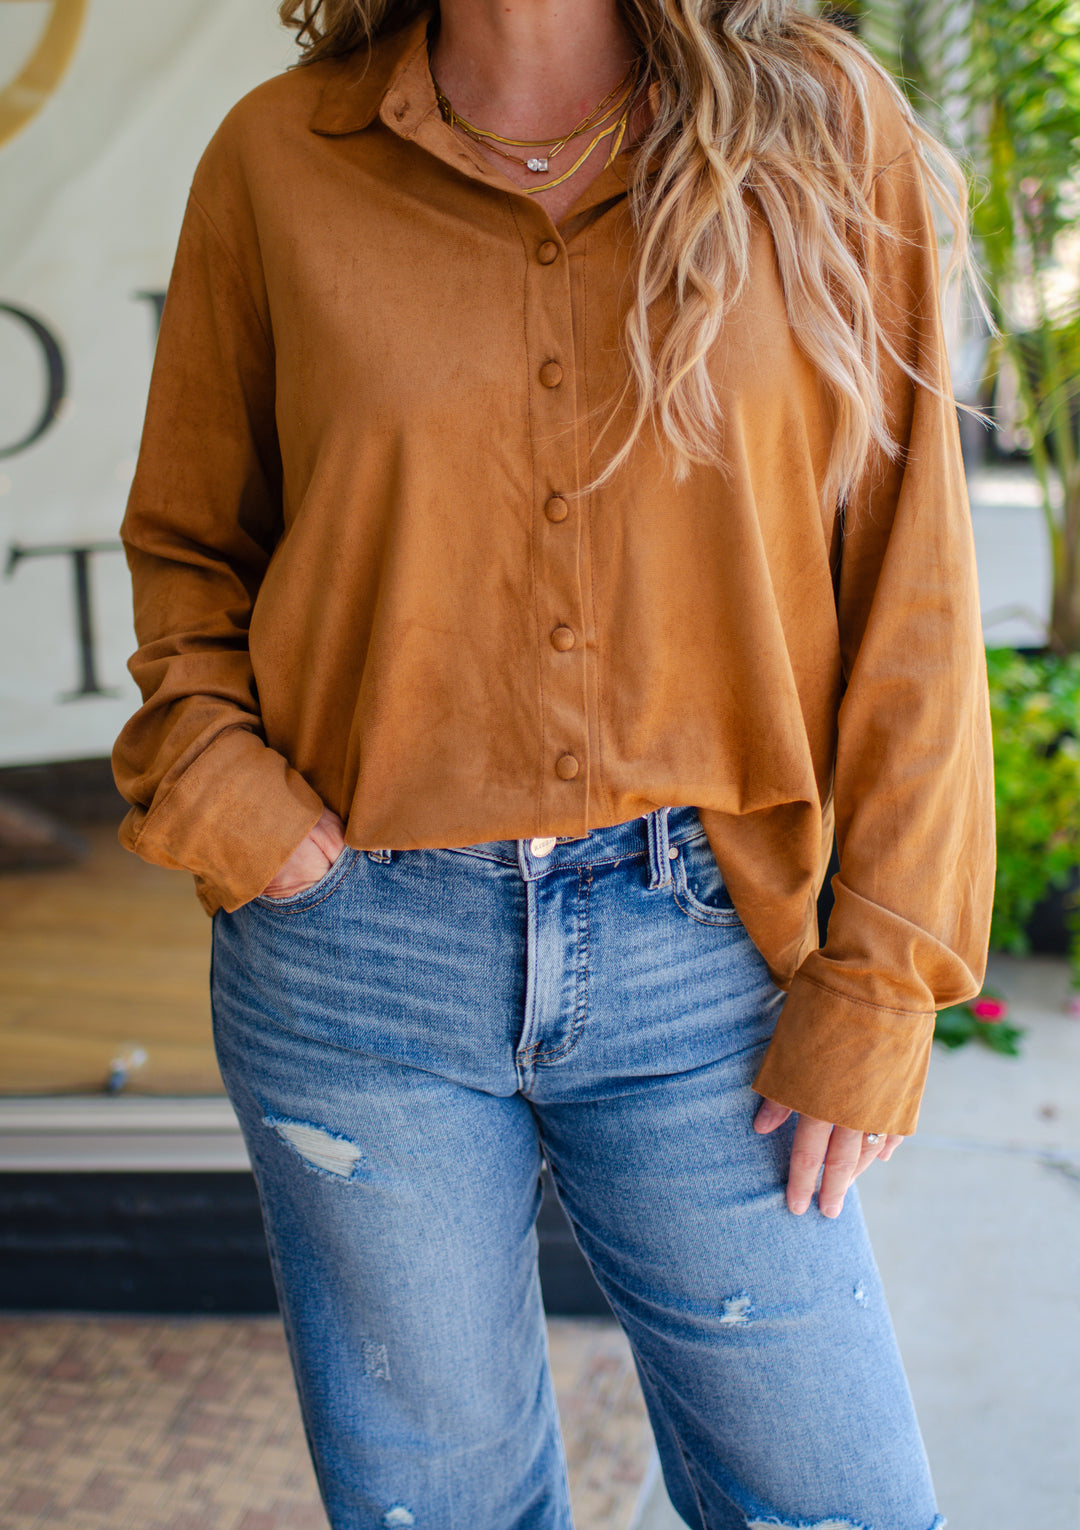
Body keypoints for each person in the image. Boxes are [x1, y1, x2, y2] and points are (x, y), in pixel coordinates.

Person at [112, 1, 994, 1526]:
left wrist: (886, 971)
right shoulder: (276, 159)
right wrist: (234, 799)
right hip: (356, 968)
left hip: (713, 958)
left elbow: (915, 587)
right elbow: (193, 550)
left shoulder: (825, 128)